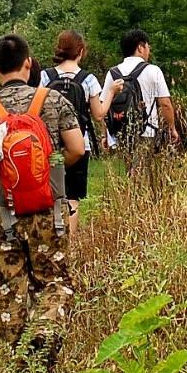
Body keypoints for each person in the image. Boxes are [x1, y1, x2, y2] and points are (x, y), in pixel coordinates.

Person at [0, 33, 86, 373]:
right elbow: (77, 149)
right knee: (55, 281)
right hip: (48, 210)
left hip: (1, 213)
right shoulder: (54, 100)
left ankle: (21, 363)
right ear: (29, 62)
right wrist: (50, 169)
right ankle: (44, 333)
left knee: (8, 285)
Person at [38, 29, 106, 236]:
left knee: (50, 196)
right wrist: (110, 92)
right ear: (81, 51)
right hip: (78, 146)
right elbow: (99, 114)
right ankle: (71, 246)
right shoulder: (88, 79)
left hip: (48, 147)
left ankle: (51, 238)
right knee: (73, 197)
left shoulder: (44, 76)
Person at [98, 28, 178, 153]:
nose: (148, 50)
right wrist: (172, 128)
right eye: (147, 46)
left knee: (130, 169)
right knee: (143, 170)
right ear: (140, 48)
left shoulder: (113, 73)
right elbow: (165, 104)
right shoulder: (153, 70)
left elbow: (103, 107)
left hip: (121, 133)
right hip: (147, 131)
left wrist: (105, 135)